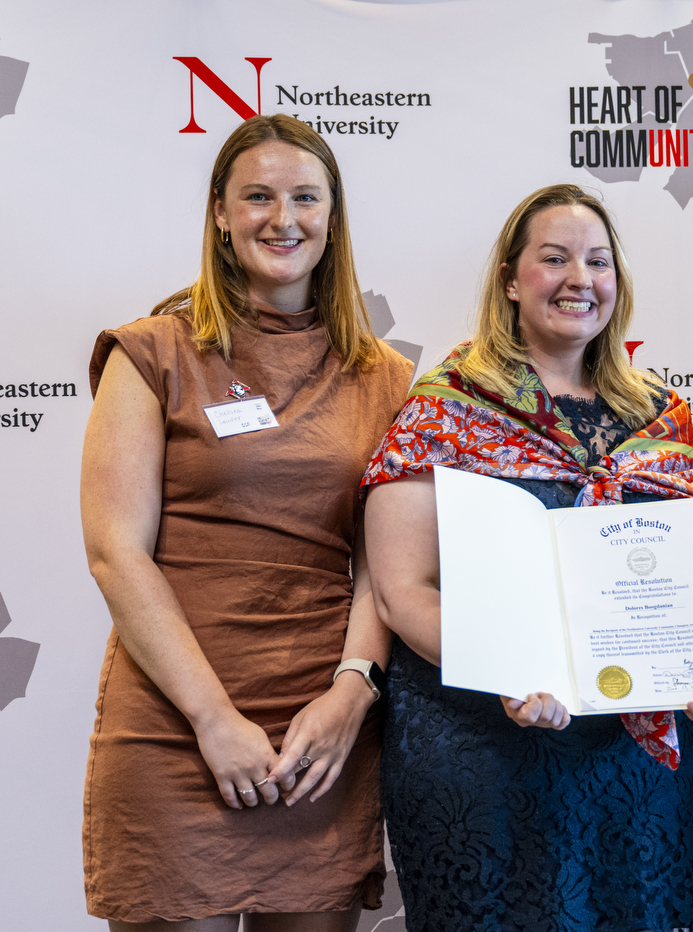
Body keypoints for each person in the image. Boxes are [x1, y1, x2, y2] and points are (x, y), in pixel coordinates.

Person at [360, 183, 693, 932]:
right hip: (482, 744)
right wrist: (509, 667)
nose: (580, 278)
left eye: (598, 261)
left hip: (634, 765)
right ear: (510, 279)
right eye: (554, 258)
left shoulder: (662, 416)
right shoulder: (446, 403)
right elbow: (402, 590)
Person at [80, 114, 414, 930]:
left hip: (319, 735)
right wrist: (213, 719)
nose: (283, 217)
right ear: (220, 217)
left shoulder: (389, 378)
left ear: (332, 219)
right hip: (173, 720)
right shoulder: (153, 352)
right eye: (257, 196)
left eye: (305, 197)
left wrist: (350, 692)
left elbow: (388, 567)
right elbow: (116, 553)